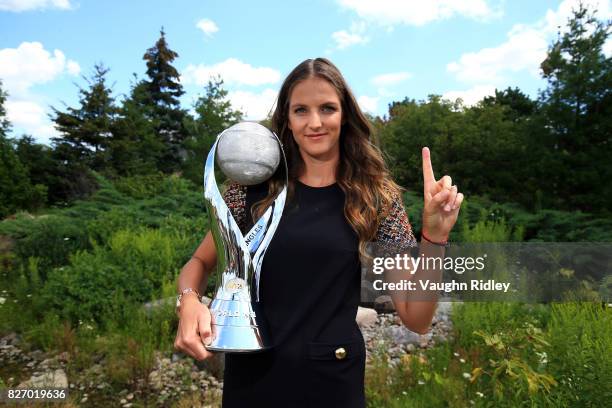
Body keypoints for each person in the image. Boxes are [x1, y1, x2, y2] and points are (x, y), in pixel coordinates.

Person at [174, 57, 464, 407]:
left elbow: (416, 318)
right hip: (251, 384)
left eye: (327, 108)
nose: (315, 123)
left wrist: (435, 236)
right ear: (287, 119)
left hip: (332, 386)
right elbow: (200, 262)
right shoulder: (251, 189)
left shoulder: (376, 198)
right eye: (301, 110)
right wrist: (188, 300)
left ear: (345, 115)